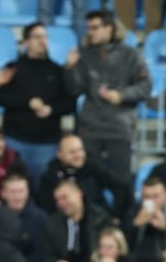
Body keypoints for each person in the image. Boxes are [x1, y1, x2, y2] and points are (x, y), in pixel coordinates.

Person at [64, 10, 151, 193]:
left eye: (95, 28)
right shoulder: (84, 55)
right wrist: (70, 68)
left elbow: (145, 86)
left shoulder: (131, 55)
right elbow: (74, 89)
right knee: (87, 183)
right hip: (91, 128)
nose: (91, 32)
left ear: (109, 28)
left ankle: (122, 211)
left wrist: (122, 95)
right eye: (89, 28)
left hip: (119, 127)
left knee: (122, 182)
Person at [0, 23, 72, 184]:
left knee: (43, 186)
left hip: (47, 142)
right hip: (14, 138)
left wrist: (50, 109)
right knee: (12, 185)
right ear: (26, 42)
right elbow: (0, 97)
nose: (43, 41)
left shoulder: (57, 70)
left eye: (45, 37)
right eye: (37, 37)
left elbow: (69, 103)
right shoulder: (13, 68)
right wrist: (27, 102)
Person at [41, 181, 110, 262]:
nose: (61, 203)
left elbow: (103, 249)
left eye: (65, 197)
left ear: (79, 194)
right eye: (58, 200)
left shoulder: (99, 218)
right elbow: (45, 255)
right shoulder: (52, 222)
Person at [34, 133, 129, 222]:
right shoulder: (50, 177)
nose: (78, 155)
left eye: (80, 150)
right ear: (60, 155)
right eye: (72, 152)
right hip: (64, 224)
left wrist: (115, 214)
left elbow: (120, 187)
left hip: (97, 221)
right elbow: (46, 208)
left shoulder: (92, 168)